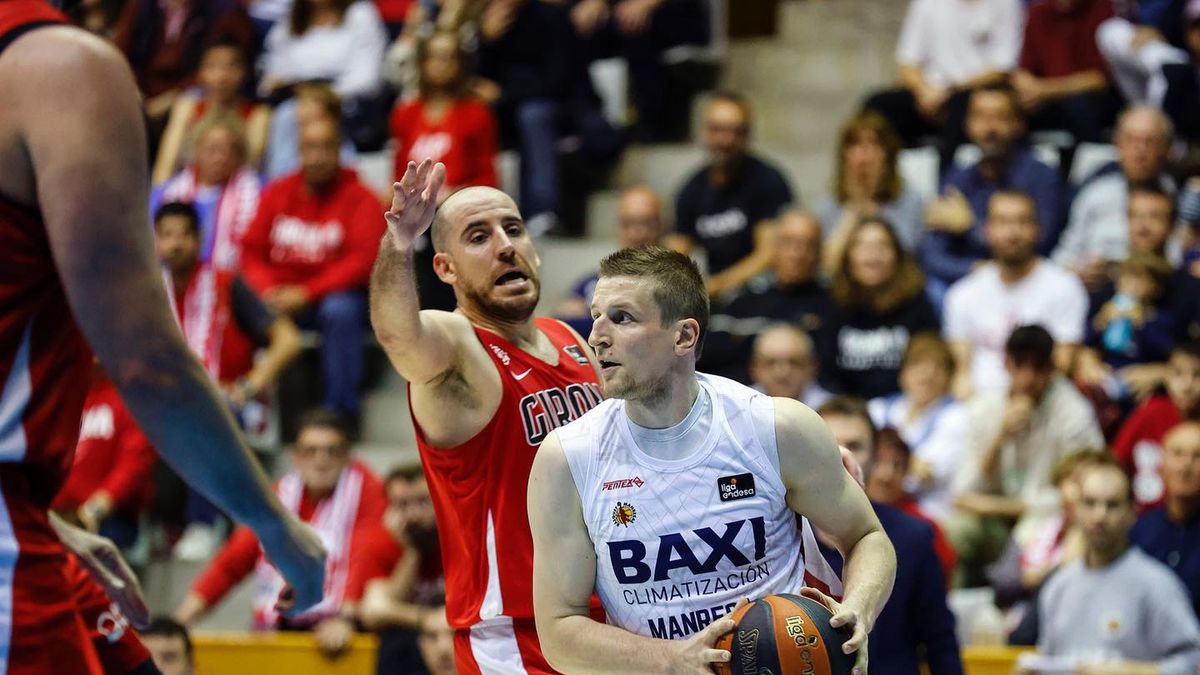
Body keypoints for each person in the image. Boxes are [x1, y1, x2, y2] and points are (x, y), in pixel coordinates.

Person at [0, 4, 325, 671]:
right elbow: (148, 364)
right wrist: (275, 526)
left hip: (33, 517)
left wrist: (52, 522)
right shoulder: (63, 67)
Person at [527, 245, 896, 674]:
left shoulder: (775, 427)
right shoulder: (568, 458)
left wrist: (858, 608)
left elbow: (867, 537)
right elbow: (558, 632)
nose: (596, 337)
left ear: (684, 336)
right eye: (596, 317)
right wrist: (673, 659)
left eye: (622, 317)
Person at [370, 160, 604, 672]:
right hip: (515, 634)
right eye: (478, 237)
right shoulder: (458, 346)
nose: (505, 246)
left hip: (605, 619)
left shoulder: (571, 338)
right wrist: (399, 243)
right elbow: (398, 336)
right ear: (446, 269)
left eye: (513, 229)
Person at [175, 409, 385, 654]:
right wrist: (179, 623)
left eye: (332, 451)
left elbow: (366, 556)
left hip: (342, 627)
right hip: (279, 626)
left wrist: (346, 621)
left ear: (348, 457)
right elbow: (231, 563)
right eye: (311, 451)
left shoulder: (367, 492)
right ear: (295, 456)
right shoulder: (280, 496)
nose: (321, 461)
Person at [240, 116, 385, 417]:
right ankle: (239, 403)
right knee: (236, 294)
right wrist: (268, 291)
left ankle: (340, 413)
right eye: (309, 148)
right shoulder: (277, 192)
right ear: (299, 151)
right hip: (276, 296)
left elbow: (363, 262)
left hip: (330, 299)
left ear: (339, 150)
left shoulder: (362, 198)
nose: (317, 157)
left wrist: (307, 293)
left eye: (325, 148)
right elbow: (250, 251)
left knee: (340, 310)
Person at [815, 398, 962, 675]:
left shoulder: (914, 538)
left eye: (855, 445)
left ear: (874, 458)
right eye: (829, 443)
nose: (842, 455)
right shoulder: (781, 535)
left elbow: (941, 644)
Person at [949, 325, 1103, 586]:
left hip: (1048, 521)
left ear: (1052, 368)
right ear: (1006, 363)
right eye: (1020, 365)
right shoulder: (984, 408)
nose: (1028, 377)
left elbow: (1082, 491)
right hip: (995, 524)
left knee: (1036, 537)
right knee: (956, 529)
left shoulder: (1074, 412)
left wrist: (999, 507)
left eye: (1038, 367)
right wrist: (999, 438)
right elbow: (963, 489)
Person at [1018, 459, 1200, 674]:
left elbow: (1193, 663)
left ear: (1131, 512)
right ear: (1076, 510)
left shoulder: (1157, 586)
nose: (1100, 515)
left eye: (1112, 505)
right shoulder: (1058, 587)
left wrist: (1133, 672)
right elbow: (1048, 659)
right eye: (1090, 503)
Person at [919, 85, 1065, 297]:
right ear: (968, 125)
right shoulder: (956, 178)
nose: (990, 128)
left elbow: (1041, 244)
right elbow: (933, 254)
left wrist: (970, 226)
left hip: (1027, 278)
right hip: (969, 277)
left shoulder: (1042, 176)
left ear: (1018, 124)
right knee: (932, 290)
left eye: (1000, 117)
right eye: (981, 117)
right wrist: (981, 271)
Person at [943, 190, 1088, 396]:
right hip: (979, 402)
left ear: (1038, 229)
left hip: (1041, 396)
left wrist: (1019, 400)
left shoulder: (1065, 287)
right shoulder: (963, 293)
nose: (1012, 233)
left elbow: (1062, 364)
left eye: (1022, 222)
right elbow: (961, 370)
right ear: (986, 230)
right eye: (1002, 222)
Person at [862, 0, 1022, 165]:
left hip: (974, 90)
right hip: (929, 92)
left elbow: (1002, 69)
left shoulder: (1005, 4)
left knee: (959, 107)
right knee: (878, 105)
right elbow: (906, 64)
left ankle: (945, 175)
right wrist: (925, 91)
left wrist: (949, 92)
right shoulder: (927, 4)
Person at [668, 92, 796, 298]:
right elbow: (675, 257)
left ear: (748, 135)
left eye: (736, 131)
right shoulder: (691, 190)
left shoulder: (768, 181)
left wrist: (715, 286)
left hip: (765, 292)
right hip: (715, 294)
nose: (726, 140)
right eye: (718, 130)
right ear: (705, 132)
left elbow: (768, 254)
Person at [699, 209, 835, 384]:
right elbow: (709, 357)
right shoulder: (745, 302)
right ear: (773, 248)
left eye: (809, 245)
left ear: (820, 253)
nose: (798, 253)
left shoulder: (833, 305)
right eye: (789, 242)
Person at [1052, 106, 1176, 287]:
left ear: (1167, 148)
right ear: (1117, 144)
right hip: (1092, 290)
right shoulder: (1095, 193)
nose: (1140, 151)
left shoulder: (1181, 197)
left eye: (1150, 141)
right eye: (1131, 140)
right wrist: (1074, 273)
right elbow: (1063, 256)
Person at [826, 215, 938, 399]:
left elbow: (928, 362)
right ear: (848, 257)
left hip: (903, 405)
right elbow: (825, 372)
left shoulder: (917, 304)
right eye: (863, 246)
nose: (873, 254)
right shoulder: (833, 304)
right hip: (843, 406)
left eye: (882, 246)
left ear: (897, 256)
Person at [52, 365, 157, 550]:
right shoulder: (61, 395)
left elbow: (133, 466)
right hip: (57, 515)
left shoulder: (131, 397)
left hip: (110, 518)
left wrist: (90, 512)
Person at [868, 333, 969, 522]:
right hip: (874, 504)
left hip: (929, 512)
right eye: (918, 364)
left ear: (949, 379)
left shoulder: (957, 417)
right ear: (902, 372)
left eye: (938, 367)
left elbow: (925, 474)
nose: (928, 374)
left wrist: (876, 461)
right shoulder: (877, 409)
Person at [389, 30, 498, 198]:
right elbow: (398, 173)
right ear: (422, 62)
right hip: (412, 205)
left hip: (461, 204)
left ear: (460, 64)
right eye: (435, 56)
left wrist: (455, 195)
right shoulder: (404, 113)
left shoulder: (476, 113)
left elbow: (487, 178)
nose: (442, 64)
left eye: (449, 57)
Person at [150, 113, 264, 273]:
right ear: (196, 150)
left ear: (240, 156)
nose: (220, 158)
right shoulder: (164, 194)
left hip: (233, 280)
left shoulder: (258, 192)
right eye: (212, 149)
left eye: (229, 151)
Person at [152, 38, 271, 183]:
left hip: (238, 189)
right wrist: (158, 192)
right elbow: (168, 161)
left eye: (231, 67)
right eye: (212, 67)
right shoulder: (188, 107)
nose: (221, 77)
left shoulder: (258, 115)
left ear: (244, 73)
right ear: (200, 73)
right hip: (190, 188)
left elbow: (252, 165)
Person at [557, 185, 666, 336]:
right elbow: (560, 324)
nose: (637, 234)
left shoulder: (675, 283)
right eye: (628, 224)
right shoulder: (592, 281)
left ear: (663, 226)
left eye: (647, 223)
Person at [818, 111, 924, 256]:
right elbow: (828, 264)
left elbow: (906, 258)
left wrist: (873, 211)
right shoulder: (830, 203)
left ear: (888, 156)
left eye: (874, 145)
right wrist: (853, 212)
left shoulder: (910, 201)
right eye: (856, 145)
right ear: (844, 156)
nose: (864, 157)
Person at [1111, 341, 1200, 510]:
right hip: (1141, 515)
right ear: (1166, 377)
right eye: (1178, 374)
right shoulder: (1151, 411)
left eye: (1197, 375)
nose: (1187, 385)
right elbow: (1116, 461)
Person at [1013, 0, 1117, 143]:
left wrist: (1044, 90)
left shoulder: (1102, 10)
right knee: (1007, 105)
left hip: (1086, 100)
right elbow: (1024, 70)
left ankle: (1090, 155)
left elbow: (1099, 80)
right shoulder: (1038, 13)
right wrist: (1027, 87)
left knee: (1081, 106)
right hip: (1043, 100)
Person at [1131, 421, 1200, 616]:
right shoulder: (1140, 532)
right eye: (1177, 454)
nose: (1186, 466)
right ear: (1161, 465)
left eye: (1197, 456)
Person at [748, 323, 832, 410]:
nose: (782, 373)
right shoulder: (740, 408)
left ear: (813, 366)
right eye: (770, 363)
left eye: (794, 363)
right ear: (754, 367)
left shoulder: (833, 411)